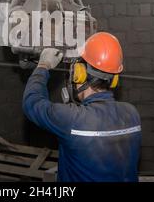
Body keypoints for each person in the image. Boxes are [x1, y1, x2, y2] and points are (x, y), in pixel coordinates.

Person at [22, 32, 141, 182]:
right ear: (114, 79)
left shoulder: (72, 119)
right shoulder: (131, 114)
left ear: (80, 74)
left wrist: (43, 66)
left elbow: (31, 102)